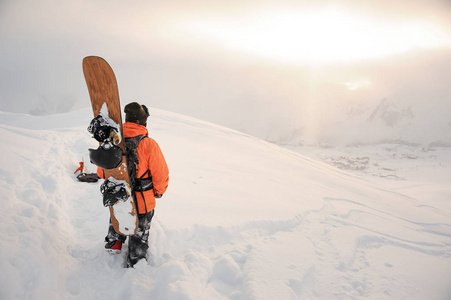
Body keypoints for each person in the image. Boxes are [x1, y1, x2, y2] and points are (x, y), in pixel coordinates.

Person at [97, 102, 169, 267]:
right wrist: (158, 191)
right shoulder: (149, 144)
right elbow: (161, 173)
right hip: (143, 199)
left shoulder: (113, 141)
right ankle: (135, 258)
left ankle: (114, 243)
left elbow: (102, 172)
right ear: (142, 121)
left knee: (119, 213)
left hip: (119, 194)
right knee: (140, 228)